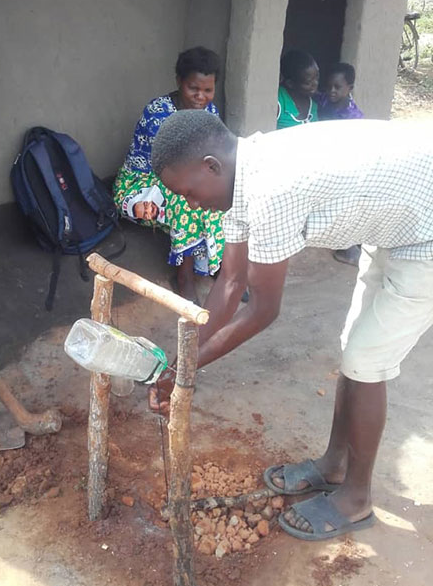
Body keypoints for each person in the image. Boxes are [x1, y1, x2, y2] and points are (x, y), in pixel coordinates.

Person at [148, 110, 433, 542]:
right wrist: (179, 364)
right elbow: (230, 282)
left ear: (211, 166)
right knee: (354, 350)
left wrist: (186, 373)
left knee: (366, 360)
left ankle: (357, 500)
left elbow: (263, 309)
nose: (190, 204)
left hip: (426, 234)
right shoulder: (243, 175)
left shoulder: (270, 190)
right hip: (399, 225)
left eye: (189, 192)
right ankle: (333, 465)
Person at [113, 47, 225, 303]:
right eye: (193, 88)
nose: (200, 96)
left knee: (223, 193)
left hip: (187, 180)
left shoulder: (211, 114)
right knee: (189, 198)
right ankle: (183, 276)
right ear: (179, 82)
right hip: (143, 185)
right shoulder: (157, 113)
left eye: (208, 90)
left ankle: (217, 263)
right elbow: (165, 170)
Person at [317, 62, 364, 267]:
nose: (332, 91)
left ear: (350, 88)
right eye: (329, 86)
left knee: (344, 205)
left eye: (337, 87)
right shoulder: (325, 100)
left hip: (346, 164)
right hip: (328, 159)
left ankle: (350, 249)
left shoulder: (353, 117)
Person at [277, 49, 320, 128]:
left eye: (317, 77)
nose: (315, 84)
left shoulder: (313, 104)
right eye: (308, 82)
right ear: (290, 83)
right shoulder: (279, 101)